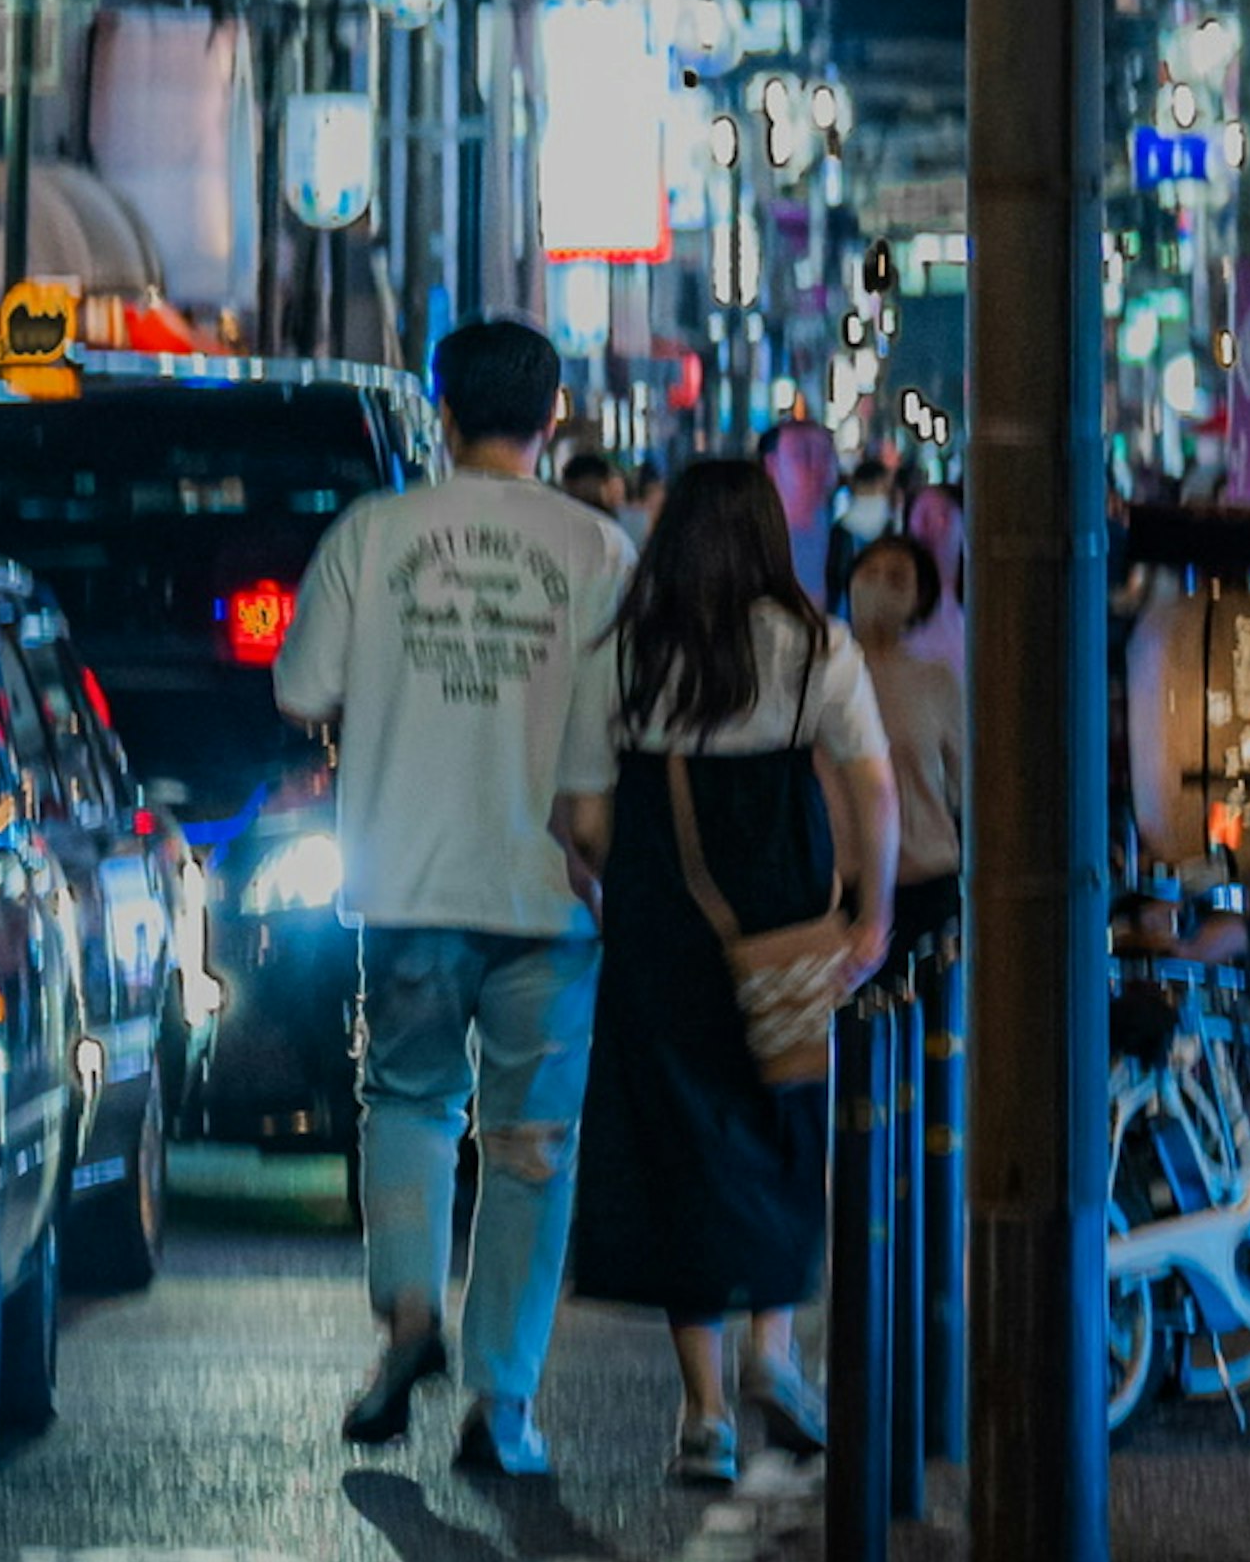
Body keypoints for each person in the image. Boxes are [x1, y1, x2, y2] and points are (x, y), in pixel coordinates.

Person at [274, 315, 632, 1489]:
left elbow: (302, 684)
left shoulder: (376, 535)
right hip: (549, 885)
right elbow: (619, 728)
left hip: (409, 874)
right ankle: (504, 1402)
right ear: (555, 411)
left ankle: (409, 1315)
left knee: (412, 1102)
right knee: (531, 1148)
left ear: (440, 406)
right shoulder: (595, 551)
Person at [565, 453, 903, 1484]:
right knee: (785, 1128)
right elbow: (875, 795)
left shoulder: (619, 654)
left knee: (680, 1149)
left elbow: (582, 818)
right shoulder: (816, 648)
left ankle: (703, 1412)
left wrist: (607, 894)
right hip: (786, 918)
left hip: (663, 919)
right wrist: (871, 913)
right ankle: (774, 1350)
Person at [848, 526, 966, 962]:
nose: (878, 587)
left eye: (896, 578)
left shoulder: (935, 679)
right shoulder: (824, 674)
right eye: (869, 573)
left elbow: (964, 785)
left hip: (926, 878)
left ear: (920, 598)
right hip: (847, 885)